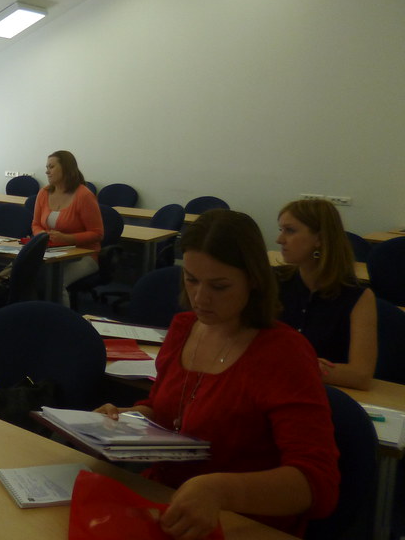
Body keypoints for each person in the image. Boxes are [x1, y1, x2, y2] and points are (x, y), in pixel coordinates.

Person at [95, 210, 338, 539]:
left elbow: (317, 484)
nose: (200, 298)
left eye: (219, 286)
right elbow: (165, 411)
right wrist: (125, 419)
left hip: (242, 522)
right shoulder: (183, 328)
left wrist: (220, 491)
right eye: (191, 279)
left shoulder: (284, 353)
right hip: (167, 503)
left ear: (254, 280)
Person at [275, 199, 376, 390]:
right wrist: (307, 366)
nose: (280, 239)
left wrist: (294, 365)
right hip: (273, 386)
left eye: (290, 231)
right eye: (281, 230)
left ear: (319, 239)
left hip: (327, 393)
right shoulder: (274, 282)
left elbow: (361, 375)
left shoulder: (358, 297)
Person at [31, 150, 103, 290]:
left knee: (56, 282)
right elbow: (36, 224)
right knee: (23, 272)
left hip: (84, 254)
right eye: (47, 167)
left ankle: (58, 306)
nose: (47, 171)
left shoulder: (84, 195)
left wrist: (67, 238)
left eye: (52, 167)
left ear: (66, 168)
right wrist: (41, 235)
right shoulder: (44, 193)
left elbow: (97, 234)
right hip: (52, 251)